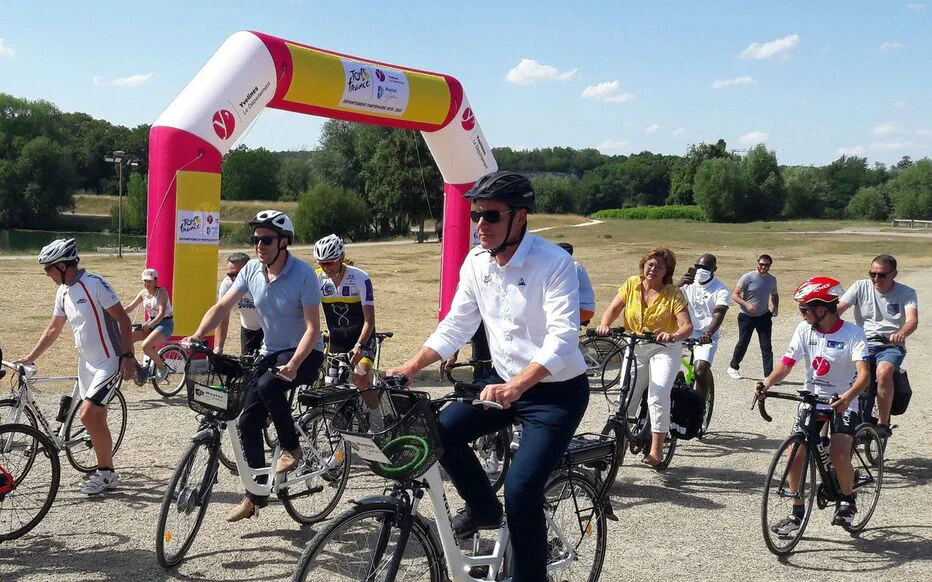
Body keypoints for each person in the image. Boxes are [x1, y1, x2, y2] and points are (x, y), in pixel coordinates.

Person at [387, 171, 588, 582]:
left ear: (521, 217)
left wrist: (517, 385)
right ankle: (482, 507)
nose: (480, 224)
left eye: (491, 216)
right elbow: (456, 325)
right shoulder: (477, 262)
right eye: (476, 214)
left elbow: (564, 337)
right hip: (503, 382)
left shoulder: (554, 263)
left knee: (520, 491)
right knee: (441, 431)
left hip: (555, 394)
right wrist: (410, 367)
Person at [184, 210, 325, 522]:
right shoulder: (251, 270)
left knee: (268, 385)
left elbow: (313, 329)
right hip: (271, 351)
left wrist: (293, 364)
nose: (258, 244)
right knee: (246, 421)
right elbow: (222, 306)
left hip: (306, 353)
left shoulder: (303, 275)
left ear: (284, 242)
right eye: (255, 239)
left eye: (266, 239)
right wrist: (196, 336)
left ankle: (292, 447)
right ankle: (256, 494)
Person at [18, 238, 135, 495]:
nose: (46, 274)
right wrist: (30, 357)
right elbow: (53, 329)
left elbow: (123, 320)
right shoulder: (62, 291)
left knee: (86, 415)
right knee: (96, 417)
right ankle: (107, 468)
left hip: (109, 360)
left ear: (61, 266)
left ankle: (105, 474)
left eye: (48, 269)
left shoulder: (95, 284)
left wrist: (127, 356)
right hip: (86, 362)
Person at [756, 277, 870, 531]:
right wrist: (767, 383)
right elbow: (786, 363)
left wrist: (849, 397)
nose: (801, 313)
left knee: (840, 455)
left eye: (804, 309)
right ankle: (797, 511)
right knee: (795, 453)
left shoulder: (852, 333)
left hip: (843, 399)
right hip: (812, 398)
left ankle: (848, 500)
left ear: (821, 310)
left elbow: (864, 374)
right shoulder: (804, 330)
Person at [596, 246, 693, 465]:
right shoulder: (632, 284)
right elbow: (613, 308)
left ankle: (657, 450)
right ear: (643, 266)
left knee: (657, 395)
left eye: (659, 266)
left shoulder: (673, 293)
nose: (653, 269)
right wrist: (604, 325)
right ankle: (620, 442)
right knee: (625, 396)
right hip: (635, 344)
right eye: (650, 264)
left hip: (664, 348)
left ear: (667, 271)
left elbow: (687, 326)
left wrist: (673, 335)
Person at [837, 254, 918, 435]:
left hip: (889, 345)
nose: (875, 279)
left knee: (883, 372)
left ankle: (882, 423)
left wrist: (901, 333)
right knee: (843, 373)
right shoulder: (860, 286)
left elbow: (912, 320)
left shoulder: (906, 293)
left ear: (894, 274)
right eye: (872, 274)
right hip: (862, 344)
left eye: (881, 275)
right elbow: (839, 309)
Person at [313, 234, 377, 391]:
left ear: (341, 257)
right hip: (337, 343)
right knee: (330, 388)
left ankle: (380, 411)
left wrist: (359, 346)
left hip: (362, 342)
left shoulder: (360, 278)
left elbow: (369, 319)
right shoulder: (316, 278)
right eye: (322, 264)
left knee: (359, 378)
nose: (326, 268)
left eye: (330, 263)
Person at [678, 253, 731, 400]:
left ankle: (699, 409)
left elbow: (718, 314)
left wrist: (708, 333)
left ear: (714, 269)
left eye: (705, 267)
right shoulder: (687, 285)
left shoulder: (721, 290)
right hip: (684, 330)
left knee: (700, 371)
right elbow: (666, 299)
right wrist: (677, 285)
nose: (701, 270)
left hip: (706, 336)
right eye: (698, 266)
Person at [727, 254, 779, 380]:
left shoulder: (772, 279)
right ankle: (733, 367)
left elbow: (774, 294)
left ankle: (768, 375)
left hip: (764, 316)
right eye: (761, 264)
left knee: (766, 346)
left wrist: (776, 307)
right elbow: (735, 294)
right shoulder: (747, 277)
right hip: (746, 316)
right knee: (743, 342)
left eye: (766, 265)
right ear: (758, 264)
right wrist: (746, 304)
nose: (763, 267)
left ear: (770, 266)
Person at [124, 268, 174, 381]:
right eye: (145, 281)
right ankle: (136, 368)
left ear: (156, 281)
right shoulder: (143, 293)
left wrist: (150, 324)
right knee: (127, 339)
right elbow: (130, 307)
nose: (147, 284)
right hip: (150, 323)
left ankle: (163, 368)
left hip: (164, 323)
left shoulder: (162, 292)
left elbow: (161, 314)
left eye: (150, 281)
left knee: (146, 346)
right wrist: (115, 314)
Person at [215, 252, 263, 357]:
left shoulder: (262, 281)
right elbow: (222, 316)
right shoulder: (228, 284)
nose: (234, 279)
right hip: (248, 328)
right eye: (230, 275)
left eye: (238, 274)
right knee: (247, 366)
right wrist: (219, 347)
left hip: (268, 328)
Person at [557, 242, 596, 325]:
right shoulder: (572, 265)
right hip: (580, 308)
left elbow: (563, 290)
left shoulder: (572, 266)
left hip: (582, 308)